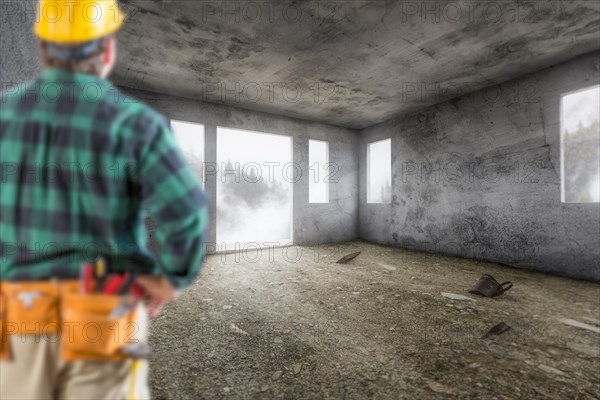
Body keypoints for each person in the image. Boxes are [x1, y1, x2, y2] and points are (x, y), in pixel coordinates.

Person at [0, 1, 209, 398]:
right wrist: (165, 279)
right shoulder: (135, 123)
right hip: (103, 301)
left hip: (16, 310)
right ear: (108, 51)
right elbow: (186, 211)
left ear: (44, 47)